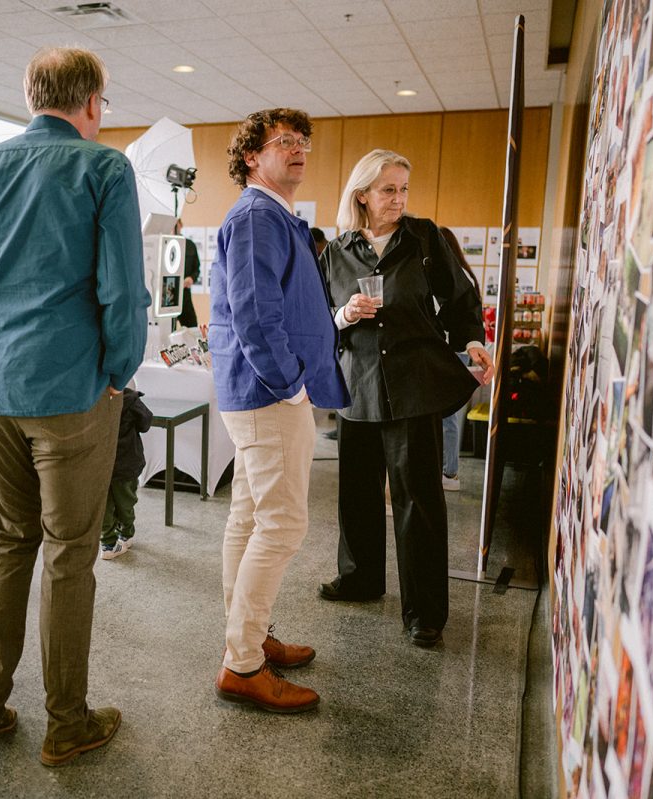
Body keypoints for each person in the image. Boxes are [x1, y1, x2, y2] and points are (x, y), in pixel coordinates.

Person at [0, 46, 149, 767]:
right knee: (70, 553)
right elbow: (121, 289)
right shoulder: (104, 168)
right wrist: (118, 369)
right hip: (72, 389)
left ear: (30, 97)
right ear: (91, 103)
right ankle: (67, 720)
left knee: (11, 540)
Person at [318, 149, 493, 649]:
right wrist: (347, 315)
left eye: (403, 189)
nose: (398, 200)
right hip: (357, 382)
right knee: (356, 491)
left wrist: (471, 339)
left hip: (413, 382)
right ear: (363, 195)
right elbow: (323, 319)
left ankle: (425, 613)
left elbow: (459, 297)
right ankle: (360, 578)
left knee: (418, 498)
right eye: (388, 190)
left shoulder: (423, 238)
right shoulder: (336, 251)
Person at [209, 108, 348, 713]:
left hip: (268, 392)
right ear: (250, 157)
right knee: (283, 524)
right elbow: (254, 313)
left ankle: (250, 635)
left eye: (302, 142)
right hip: (270, 393)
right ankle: (242, 663)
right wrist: (291, 384)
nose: (298, 150)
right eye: (283, 142)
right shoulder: (257, 216)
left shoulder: (276, 217)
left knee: (250, 516)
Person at [439, 227, 485, 492]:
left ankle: (450, 472)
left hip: (453, 350)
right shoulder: (463, 273)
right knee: (447, 414)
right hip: (455, 350)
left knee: (447, 415)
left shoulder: (457, 276)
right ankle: (448, 470)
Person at [99, 387, 152, 560]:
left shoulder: (90, 397)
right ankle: (126, 534)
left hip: (99, 463)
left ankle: (107, 544)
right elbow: (145, 423)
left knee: (103, 506)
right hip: (126, 462)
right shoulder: (129, 399)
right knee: (126, 501)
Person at [174, 219, 200, 329]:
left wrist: (191, 278)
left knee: (192, 327)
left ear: (180, 224)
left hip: (184, 294)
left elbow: (196, 268)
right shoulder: (162, 244)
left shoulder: (189, 245)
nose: (174, 227)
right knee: (166, 329)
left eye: (176, 224)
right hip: (169, 294)